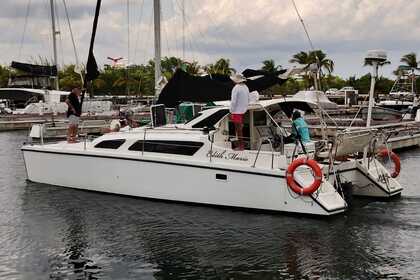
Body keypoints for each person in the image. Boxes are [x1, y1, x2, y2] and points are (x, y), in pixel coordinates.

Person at [230, 73, 249, 150]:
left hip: (236, 111)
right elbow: (248, 98)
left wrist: (231, 111)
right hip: (243, 111)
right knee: (240, 128)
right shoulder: (246, 87)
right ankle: (241, 145)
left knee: (238, 129)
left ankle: (241, 147)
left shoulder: (236, 88)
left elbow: (233, 101)